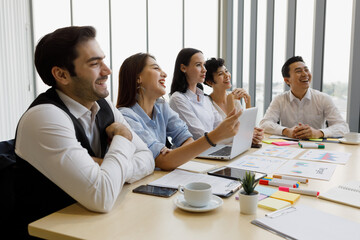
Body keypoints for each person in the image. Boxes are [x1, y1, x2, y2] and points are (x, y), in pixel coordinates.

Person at [12, 26, 154, 238]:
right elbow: (102, 196)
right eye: (95, 64)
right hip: (53, 233)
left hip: (98, 227)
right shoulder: (44, 117)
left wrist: (106, 168)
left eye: (102, 61)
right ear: (61, 74)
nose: (107, 71)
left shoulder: (103, 106)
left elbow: (147, 158)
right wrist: (123, 138)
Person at [117, 53, 241, 171]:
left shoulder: (161, 106)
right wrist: (215, 136)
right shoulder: (126, 116)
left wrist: (170, 156)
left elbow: (186, 138)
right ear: (138, 78)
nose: (164, 74)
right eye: (156, 68)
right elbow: (163, 161)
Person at [259, 56, 349, 139]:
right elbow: (264, 124)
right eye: (298, 71)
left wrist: (319, 133)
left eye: (306, 70)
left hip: (317, 148)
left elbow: (343, 127)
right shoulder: (280, 99)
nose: (305, 74)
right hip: (288, 147)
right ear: (287, 80)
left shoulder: (323, 98)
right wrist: (286, 131)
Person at [204, 57, 264, 145]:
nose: (227, 75)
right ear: (209, 82)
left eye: (226, 71)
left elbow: (245, 127)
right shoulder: (207, 104)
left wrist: (248, 100)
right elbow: (231, 130)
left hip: (239, 147)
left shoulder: (234, 97)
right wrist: (230, 100)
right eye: (220, 74)